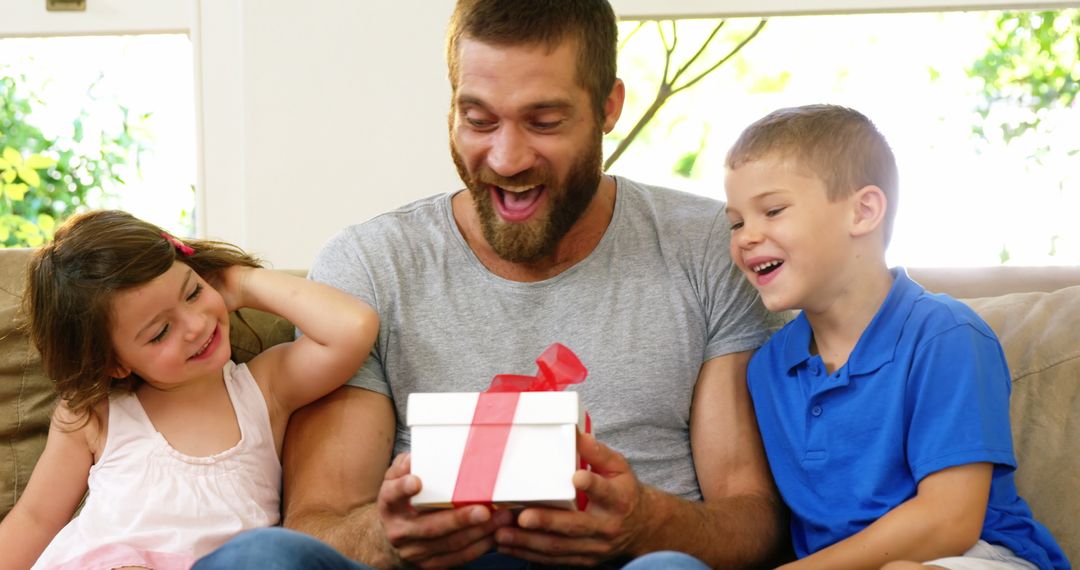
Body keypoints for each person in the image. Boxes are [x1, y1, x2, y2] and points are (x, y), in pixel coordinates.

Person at [195, 0, 785, 569]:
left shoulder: (711, 245)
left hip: (633, 561)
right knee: (259, 558)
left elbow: (752, 519)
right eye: (478, 120)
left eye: (545, 122)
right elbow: (316, 525)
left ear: (609, 107)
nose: (506, 158)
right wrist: (387, 535)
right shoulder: (370, 264)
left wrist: (644, 522)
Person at [721, 104, 1070, 569]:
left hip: (979, 556)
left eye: (773, 210)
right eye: (736, 222)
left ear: (864, 211)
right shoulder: (767, 368)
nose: (746, 236)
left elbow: (949, 520)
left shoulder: (945, 336)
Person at [0, 209, 379, 570]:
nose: (195, 326)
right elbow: (35, 519)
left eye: (194, 293)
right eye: (160, 332)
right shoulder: (97, 412)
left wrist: (240, 282)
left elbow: (353, 327)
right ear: (114, 363)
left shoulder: (263, 390)